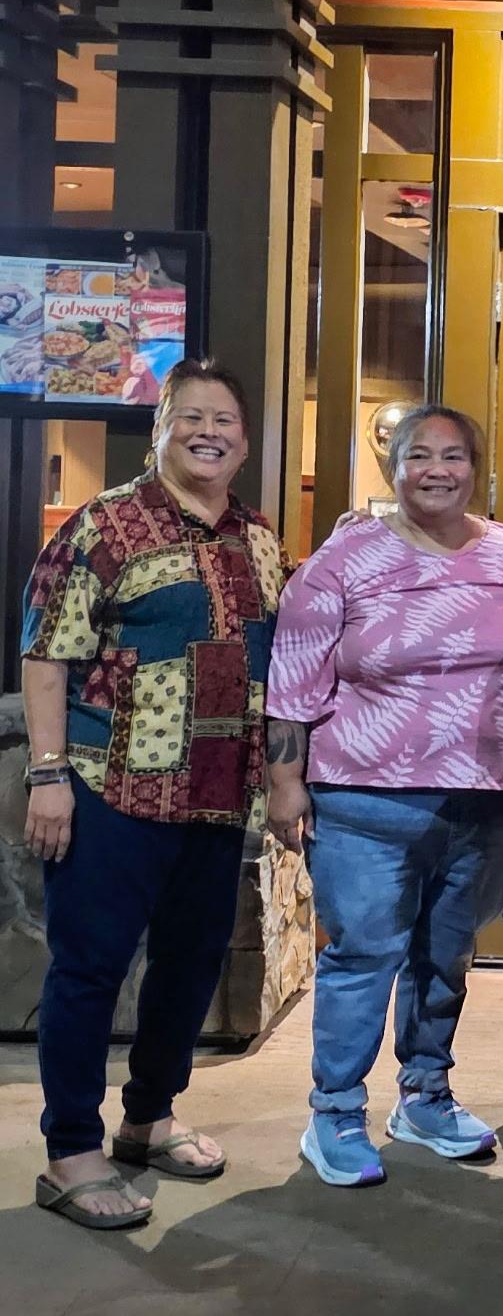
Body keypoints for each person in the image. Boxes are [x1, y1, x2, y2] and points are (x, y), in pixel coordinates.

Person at [264, 402, 503, 1188]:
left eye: (453, 455)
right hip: (368, 799)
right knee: (365, 954)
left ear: (477, 469)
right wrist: (284, 783)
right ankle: (335, 1110)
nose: (437, 469)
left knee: (447, 954)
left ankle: (425, 1094)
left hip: (499, 795)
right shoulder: (343, 558)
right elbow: (294, 677)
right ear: (394, 468)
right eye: (418, 455)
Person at [21, 358, 287, 1231]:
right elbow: (46, 655)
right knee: (90, 969)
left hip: (216, 796)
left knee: (189, 965)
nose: (210, 432)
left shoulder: (258, 536)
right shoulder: (106, 525)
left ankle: (149, 1117)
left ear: (244, 442)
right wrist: (49, 773)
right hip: (111, 787)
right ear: (161, 428)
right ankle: (70, 1152)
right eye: (193, 417)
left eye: (227, 421)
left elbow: (273, 668)